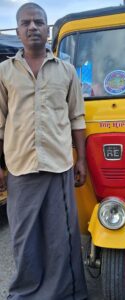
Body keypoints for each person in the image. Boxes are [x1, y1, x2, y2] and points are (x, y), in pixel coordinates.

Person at [0, 3, 88, 300]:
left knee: (60, 237)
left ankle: (65, 293)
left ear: (48, 29)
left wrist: (82, 161)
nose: (33, 27)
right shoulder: (4, 72)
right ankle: (25, 293)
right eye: (26, 23)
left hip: (58, 166)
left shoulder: (67, 70)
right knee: (24, 238)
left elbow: (77, 118)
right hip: (19, 168)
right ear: (18, 30)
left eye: (39, 21)